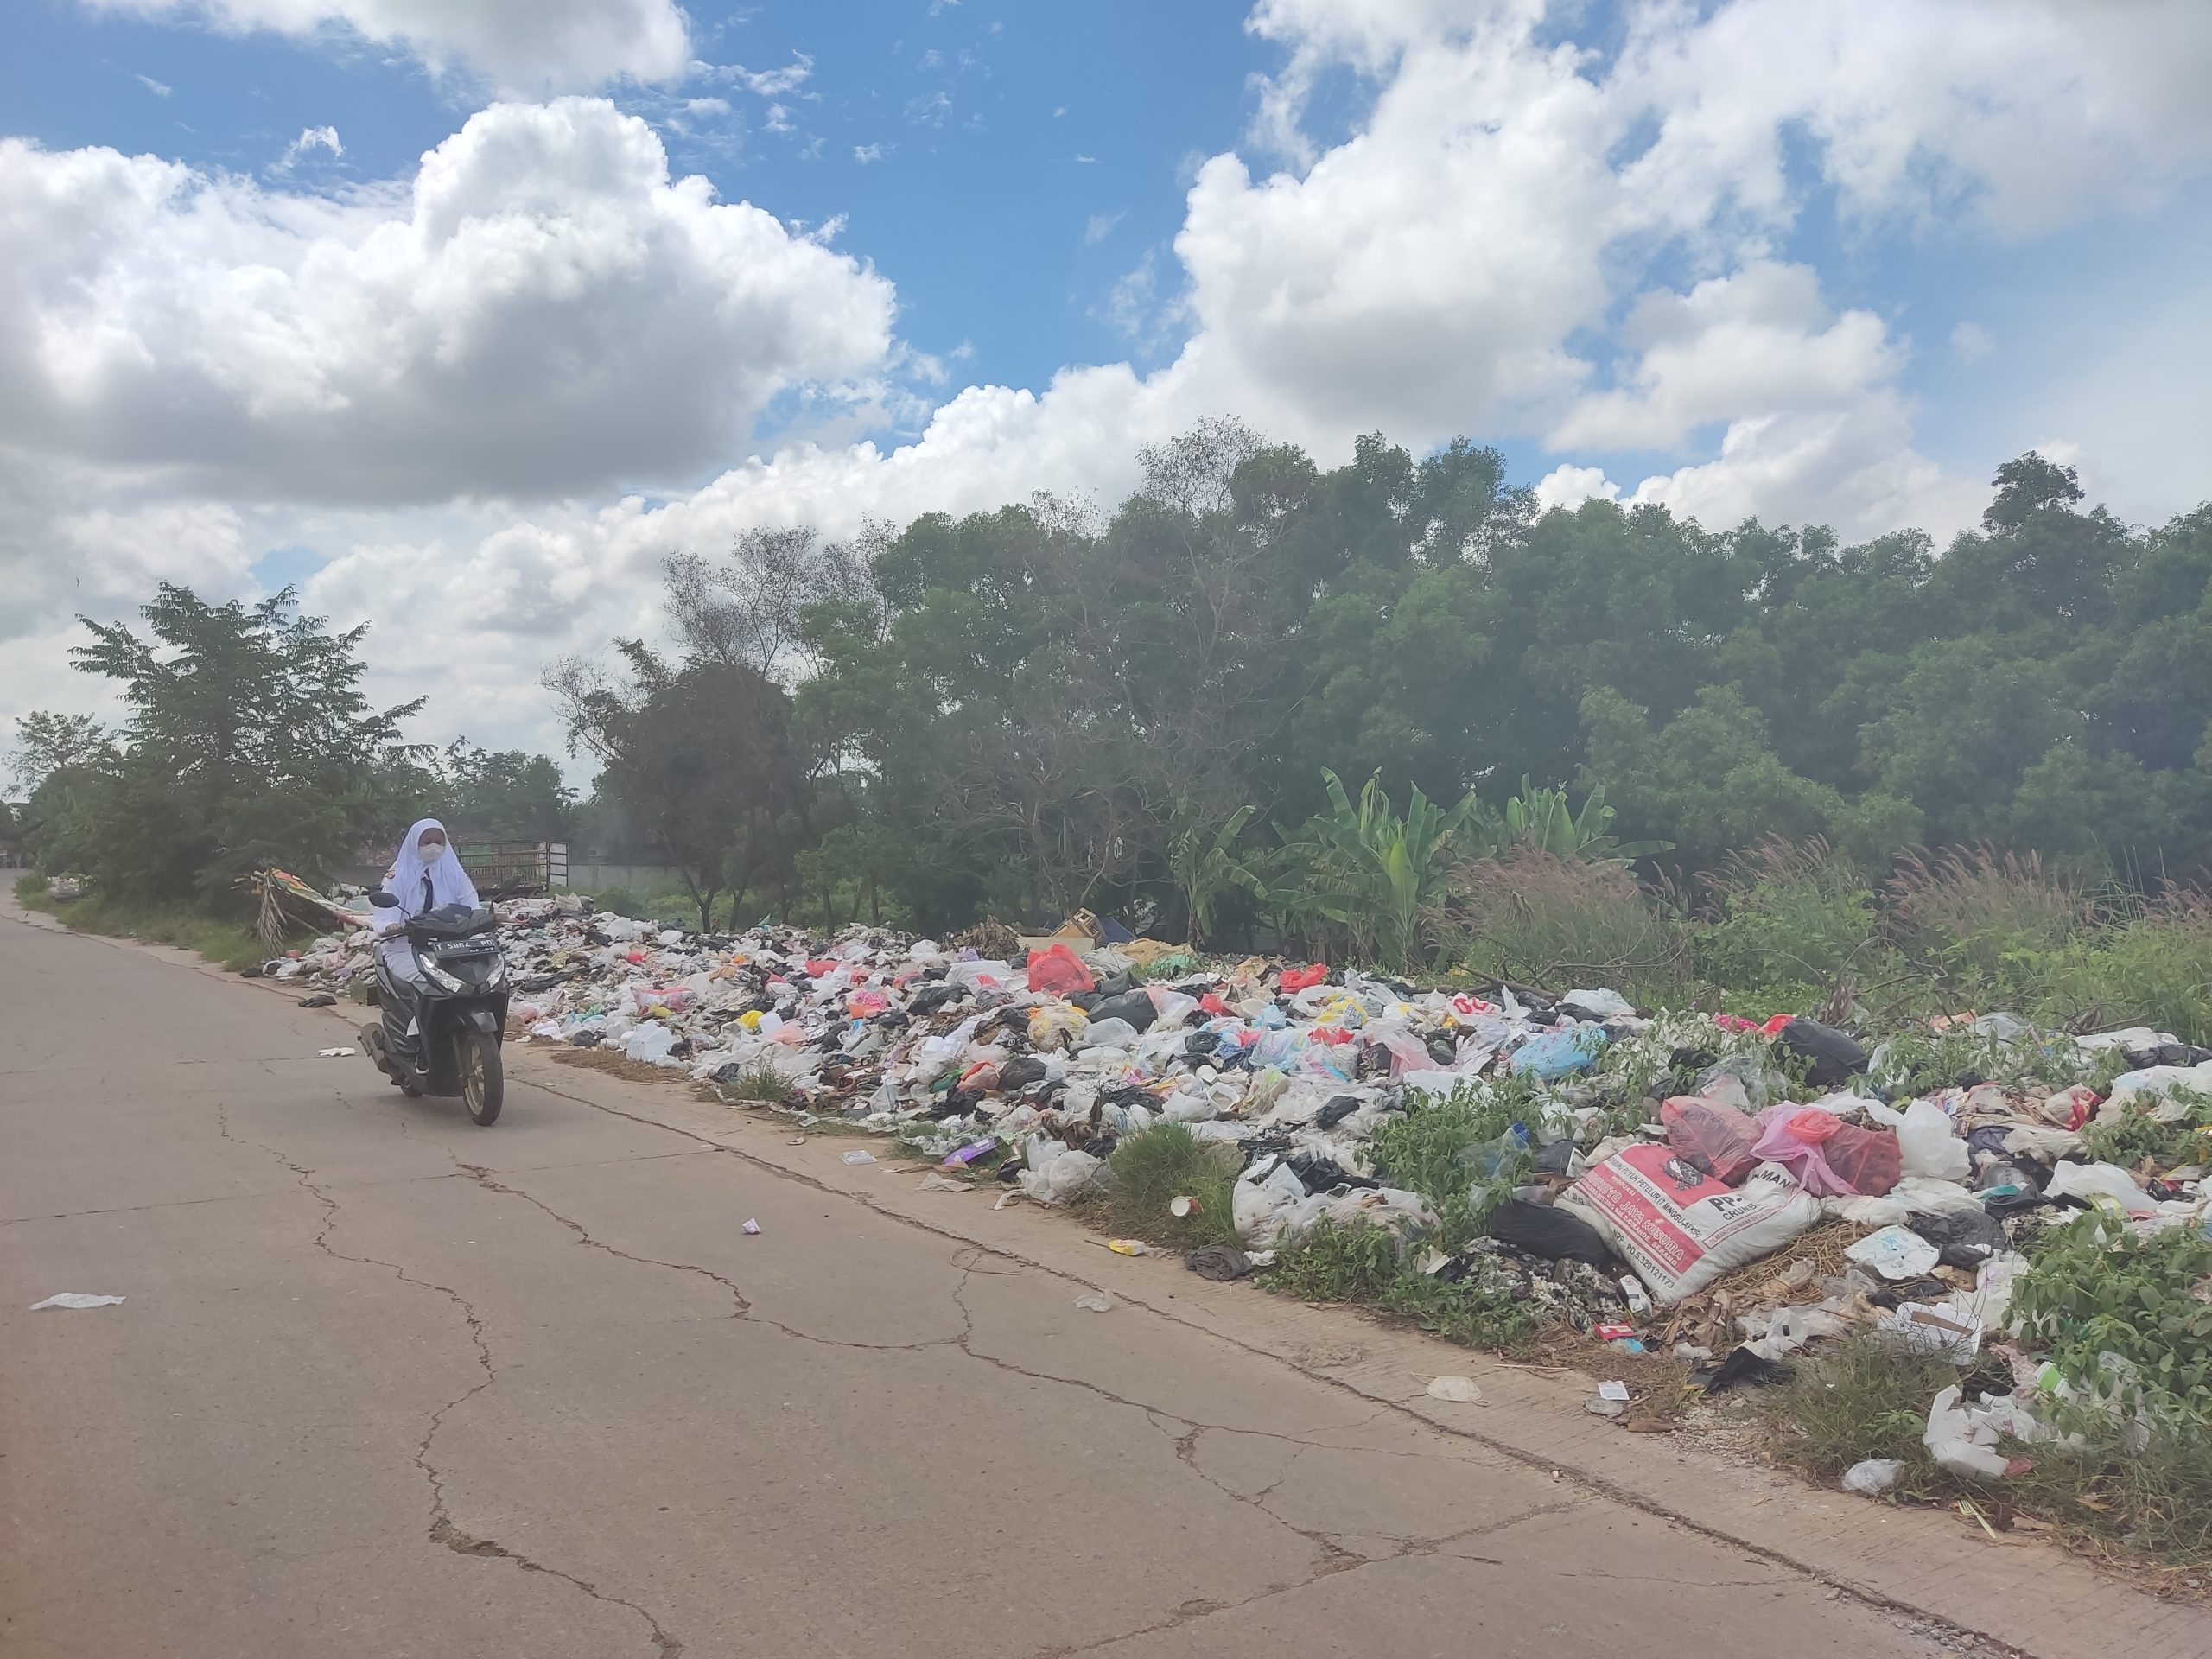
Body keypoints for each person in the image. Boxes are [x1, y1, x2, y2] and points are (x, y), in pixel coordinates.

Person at [376, 818, 480, 985]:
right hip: (406, 949)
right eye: (427, 842)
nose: (434, 847)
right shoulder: (398, 876)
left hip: (451, 948)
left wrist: (490, 918)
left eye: (439, 842)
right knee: (431, 980)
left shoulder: (454, 873)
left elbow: (472, 905)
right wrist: (390, 926)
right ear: (415, 843)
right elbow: (385, 915)